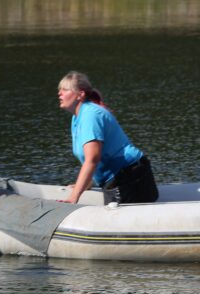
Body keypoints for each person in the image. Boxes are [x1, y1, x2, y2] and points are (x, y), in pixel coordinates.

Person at [58, 71, 158, 205]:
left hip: (130, 177)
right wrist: (85, 184)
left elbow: (93, 158)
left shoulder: (91, 115)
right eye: (60, 89)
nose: (60, 93)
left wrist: (73, 197)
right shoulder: (77, 117)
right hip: (117, 179)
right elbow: (89, 157)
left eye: (65, 89)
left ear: (80, 95)